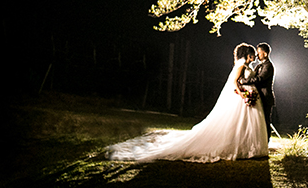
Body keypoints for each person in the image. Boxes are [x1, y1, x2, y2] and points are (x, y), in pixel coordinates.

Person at [105, 43, 268, 162]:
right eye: (252, 53)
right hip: (242, 98)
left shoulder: (246, 65)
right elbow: (234, 82)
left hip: (249, 97)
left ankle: (248, 147)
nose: (254, 56)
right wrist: (242, 94)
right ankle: (241, 147)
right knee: (237, 122)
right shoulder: (240, 65)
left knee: (246, 124)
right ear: (247, 54)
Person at [239, 42, 274, 142]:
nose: (257, 55)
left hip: (265, 97)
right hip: (258, 96)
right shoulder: (259, 66)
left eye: (259, 53)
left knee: (265, 121)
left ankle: (265, 143)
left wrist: (244, 81)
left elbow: (259, 79)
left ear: (265, 54)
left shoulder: (268, 66)